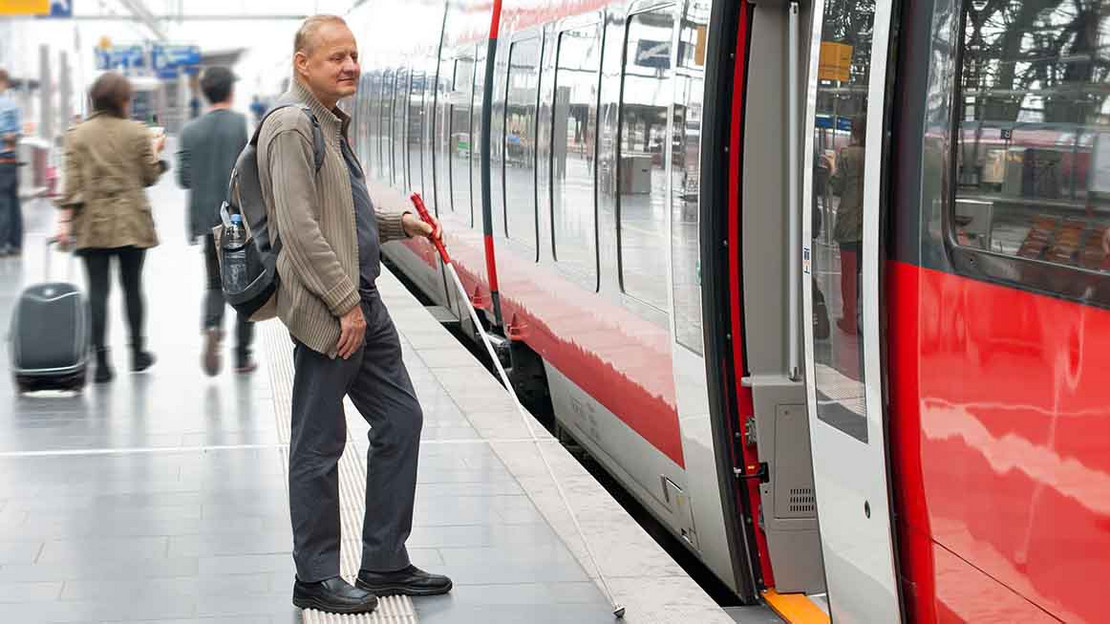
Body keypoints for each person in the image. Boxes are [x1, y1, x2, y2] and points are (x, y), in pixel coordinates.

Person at [259, 15, 450, 614]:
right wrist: (345, 304)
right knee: (319, 445)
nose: (349, 66)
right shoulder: (292, 127)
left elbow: (345, 215)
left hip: (362, 299)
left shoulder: (329, 123)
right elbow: (299, 228)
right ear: (302, 63)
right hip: (329, 308)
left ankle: (385, 558)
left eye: (353, 55)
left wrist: (400, 226)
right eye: (335, 57)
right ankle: (314, 575)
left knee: (402, 420)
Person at [56, 72, 166, 383]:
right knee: (132, 288)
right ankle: (137, 353)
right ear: (121, 100)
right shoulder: (137, 132)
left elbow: (71, 186)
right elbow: (150, 176)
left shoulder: (76, 135)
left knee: (98, 292)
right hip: (132, 221)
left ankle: (102, 363)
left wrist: (64, 221)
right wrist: (156, 151)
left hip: (92, 224)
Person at [177, 66, 257, 376]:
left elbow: (184, 179)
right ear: (230, 92)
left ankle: (212, 326)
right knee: (244, 288)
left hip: (205, 221)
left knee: (213, 284)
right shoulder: (242, 125)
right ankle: (241, 356)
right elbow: (254, 172)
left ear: (205, 93)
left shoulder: (189, 130)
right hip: (237, 219)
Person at [825, 115, 866, 335]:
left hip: (850, 224)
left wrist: (831, 168)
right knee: (865, 273)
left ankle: (850, 319)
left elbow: (838, 186)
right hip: (869, 226)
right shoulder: (875, 154)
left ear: (853, 130)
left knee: (849, 276)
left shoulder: (847, 155)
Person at [0, 68, 23, 257]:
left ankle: (1, 244)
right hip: (11, 159)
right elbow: (15, 134)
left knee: (3, 202)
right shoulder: (11, 105)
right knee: (13, 202)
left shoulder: (5, 105)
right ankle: (15, 244)